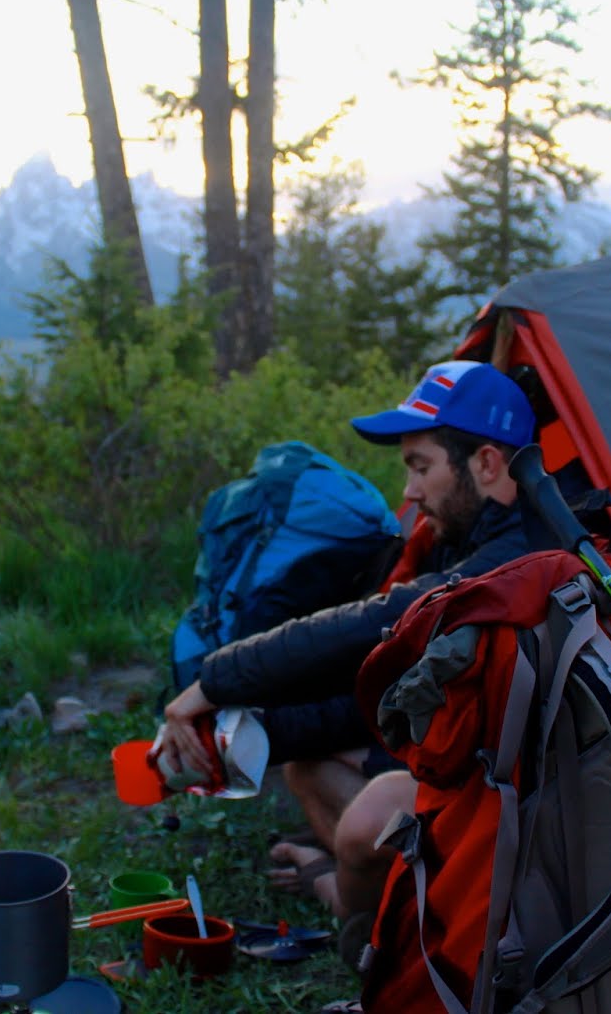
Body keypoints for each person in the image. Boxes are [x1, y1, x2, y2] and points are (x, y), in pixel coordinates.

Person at [155, 359, 536, 926]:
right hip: (461, 757)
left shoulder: (516, 558)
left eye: (420, 467)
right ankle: (373, 891)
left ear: (484, 463)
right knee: (305, 766)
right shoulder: (463, 538)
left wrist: (212, 683)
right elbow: (389, 686)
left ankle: (363, 925)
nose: (408, 490)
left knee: (368, 816)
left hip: (516, 803)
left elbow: (371, 626)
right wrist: (252, 734)